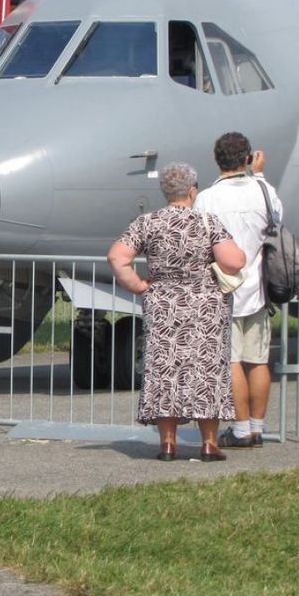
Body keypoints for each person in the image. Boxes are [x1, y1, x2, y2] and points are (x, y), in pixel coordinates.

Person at [107, 161, 244, 462]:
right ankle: (209, 444)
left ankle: (167, 444)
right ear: (192, 191)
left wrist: (138, 285)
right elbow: (233, 262)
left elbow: (117, 257)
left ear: (165, 191)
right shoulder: (208, 222)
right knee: (206, 372)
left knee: (164, 371)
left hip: (163, 307)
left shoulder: (147, 222)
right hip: (205, 309)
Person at [195, 132, 283, 449]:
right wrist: (259, 175)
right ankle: (257, 427)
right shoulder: (263, 191)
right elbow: (277, 218)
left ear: (216, 160)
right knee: (257, 361)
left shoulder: (207, 198)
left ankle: (241, 428)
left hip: (222, 287)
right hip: (257, 288)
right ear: (247, 159)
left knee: (230, 361)